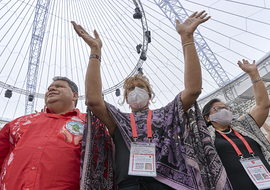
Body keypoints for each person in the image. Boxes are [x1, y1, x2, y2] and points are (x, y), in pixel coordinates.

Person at [72, 11, 232, 190]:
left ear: (150, 95)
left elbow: (193, 90)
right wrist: (95, 51)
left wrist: (187, 38)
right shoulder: (118, 120)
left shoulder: (166, 114)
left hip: (168, 184)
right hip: (128, 185)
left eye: (141, 88)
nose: (136, 91)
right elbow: (93, 101)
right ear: (125, 98)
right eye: (131, 89)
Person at [0, 77, 88, 190]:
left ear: (75, 96)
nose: (52, 89)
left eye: (59, 86)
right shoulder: (18, 124)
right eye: (49, 88)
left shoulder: (90, 124)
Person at [202, 59, 270, 190]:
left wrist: (254, 74)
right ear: (207, 117)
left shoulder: (245, 126)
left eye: (226, 108)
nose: (224, 110)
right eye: (217, 109)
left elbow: (263, 105)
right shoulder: (204, 138)